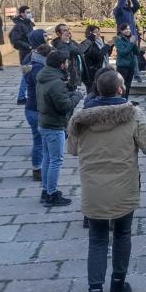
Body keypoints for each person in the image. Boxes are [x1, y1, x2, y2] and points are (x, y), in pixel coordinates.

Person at [67, 70, 146, 292]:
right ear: (121, 90)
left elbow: (72, 150)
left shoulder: (80, 118)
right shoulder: (133, 114)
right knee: (122, 235)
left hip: (94, 191)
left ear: (98, 91)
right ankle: (118, 288)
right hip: (124, 187)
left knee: (97, 240)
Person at [36, 50, 84, 207]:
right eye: (67, 62)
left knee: (47, 158)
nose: (68, 64)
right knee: (56, 160)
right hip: (54, 125)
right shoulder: (56, 83)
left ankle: (46, 190)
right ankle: (51, 194)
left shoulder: (45, 76)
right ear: (62, 64)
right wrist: (77, 96)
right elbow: (65, 106)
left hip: (44, 122)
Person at [23, 32, 50, 182]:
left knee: (39, 139)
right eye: (45, 36)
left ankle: (39, 167)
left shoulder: (31, 59)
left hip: (31, 107)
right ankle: (38, 169)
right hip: (37, 108)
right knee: (39, 141)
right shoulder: (38, 67)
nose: (48, 37)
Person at [9, 6, 35, 104]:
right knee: (26, 74)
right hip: (25, 53)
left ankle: (27, 95)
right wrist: (28, 46)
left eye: (30, 12)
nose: (30, 13)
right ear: (21, 14)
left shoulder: (28, 23)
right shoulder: (19, 25)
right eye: (27, 12)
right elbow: (16, 40)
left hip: (31, 52)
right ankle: (21, 97)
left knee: (29, 74)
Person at [79, 25, 114, 95]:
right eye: (96, 32)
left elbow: (106, 54)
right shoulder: (88, 43)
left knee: (99, 92)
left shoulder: (100, 41)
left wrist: (111, 46)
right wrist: (108, 45)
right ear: (90, 33)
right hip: (91, 72)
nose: (98, 33)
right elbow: (98, 56)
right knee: (92, 93)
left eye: (99, 31)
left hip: (101, 69)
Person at [52, 23, 85, 90]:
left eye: (68, 30)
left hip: (74, 73)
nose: (68, 32)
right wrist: (66, 43)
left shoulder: (71, 42)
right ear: (58, 33)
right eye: (64, 30)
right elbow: (64, 55)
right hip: (66, 75)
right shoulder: (57, 43)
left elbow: (79, 51)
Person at [114, 23, 139, 99]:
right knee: (122, 85)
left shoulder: (130, 38)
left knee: (128, 85)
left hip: (131, 65)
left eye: (129, 29)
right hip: (122, 66)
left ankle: (126, 99)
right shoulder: (118, 39)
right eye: (125, 29)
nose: (128, 31)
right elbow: (123, 52)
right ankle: (121, 100)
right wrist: (131, 43)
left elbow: (137, 52)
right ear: (121, 31)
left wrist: (134, 43)